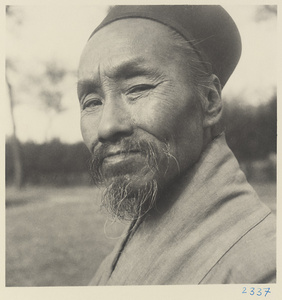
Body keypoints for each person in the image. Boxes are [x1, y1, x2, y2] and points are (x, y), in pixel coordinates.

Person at [77, 5, 276, 285]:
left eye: (138, 88)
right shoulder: (143, 228)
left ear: (209, 100)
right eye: (92, 102)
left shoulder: (263, 271)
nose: (107, 127)